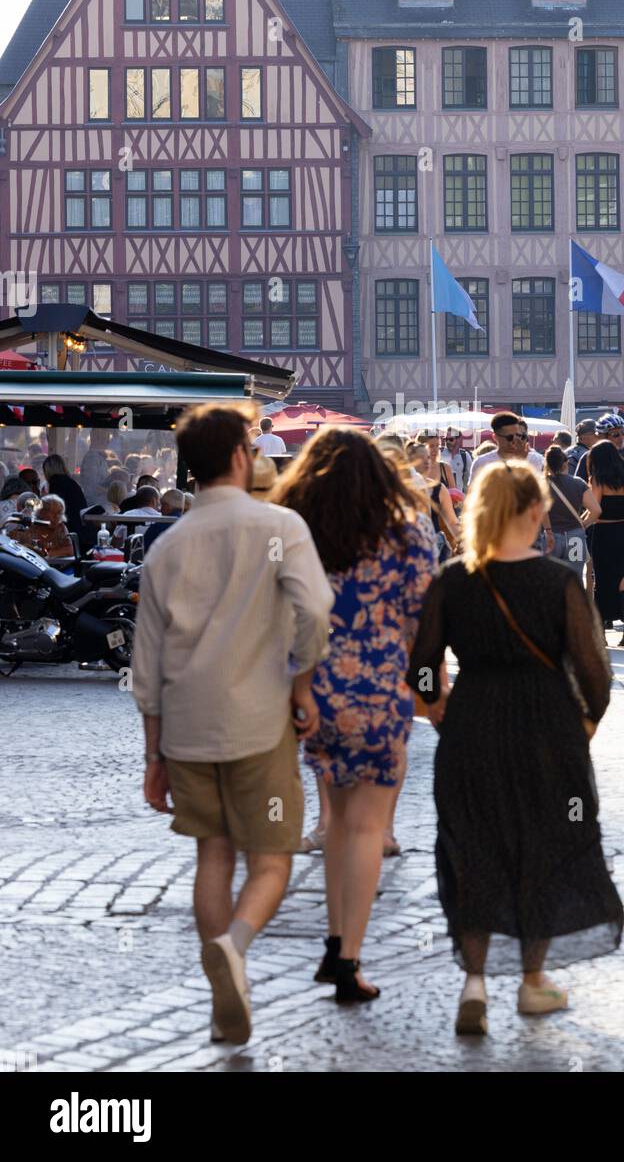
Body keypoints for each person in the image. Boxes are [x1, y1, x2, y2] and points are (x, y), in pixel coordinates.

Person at [133, 403, 334, 1046]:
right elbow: (315, 612)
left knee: (211, 856)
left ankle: (225, 969)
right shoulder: (280, 527)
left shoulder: (167, 548)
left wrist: (153, 755)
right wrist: (302, 681)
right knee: (271, 860)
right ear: (244, 457)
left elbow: (147, 665)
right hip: (261, 719)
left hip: (188, 725)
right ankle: (235, 949)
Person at [406, 460, 623, 1035]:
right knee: (544, 849)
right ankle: (532, 982)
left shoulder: (452, 579)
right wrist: (587, 725)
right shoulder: (557, 582)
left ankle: (474, 982)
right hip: (548, 729)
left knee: (472, 848)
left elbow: (423, 667)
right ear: (534, 511)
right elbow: (594, 672)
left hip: (472, 726)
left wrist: (437, 714)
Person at [272, 428, 435, 1004]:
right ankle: (347, 957)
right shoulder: (407, 535)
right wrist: (426, 686)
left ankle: (334, 940)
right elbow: (423, 620)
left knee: (339, 822)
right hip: (378, 690)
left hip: (311, 689)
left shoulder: (294, 534)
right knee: (366, 828)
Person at [587, 440, 624, 646]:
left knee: (602, 581)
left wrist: (580, 523)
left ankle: (601, 634)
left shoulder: (598, 479)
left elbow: (595, 510)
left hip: (604, 533)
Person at [542, 444, 600, 580]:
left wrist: (548, 530)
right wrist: (584, 524)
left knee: (551, 579)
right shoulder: (578, 483)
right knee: (575, 579)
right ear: (565, 463)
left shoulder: (541, 484)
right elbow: (596, 510)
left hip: (551, 537)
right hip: (575, 536)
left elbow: (541, 511)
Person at [469, 413, 545, 486]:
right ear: (495, 437)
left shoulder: (536, 460)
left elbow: (537, 492)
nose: (515, 440)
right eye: (509, 437)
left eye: (520, 436)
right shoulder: (481, 462)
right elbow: (473, 493)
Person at [575, 414, 624, 483]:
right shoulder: (589, 457)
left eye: (623, 433)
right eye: (616, 435)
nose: (621, 438)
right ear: (602, 436)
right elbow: (579, 487)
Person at [41, 455, 87, 535]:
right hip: (79, 527)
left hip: (69, 528)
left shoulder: (56, 482)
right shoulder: (69, 482)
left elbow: (55, 509)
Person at [441, 428, 472, 493]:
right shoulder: (439, 454)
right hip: (442, 497)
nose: (448, 442)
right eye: (446, 439)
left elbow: (470, 479)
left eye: (451, 439)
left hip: (458, 498)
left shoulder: (465, 456)